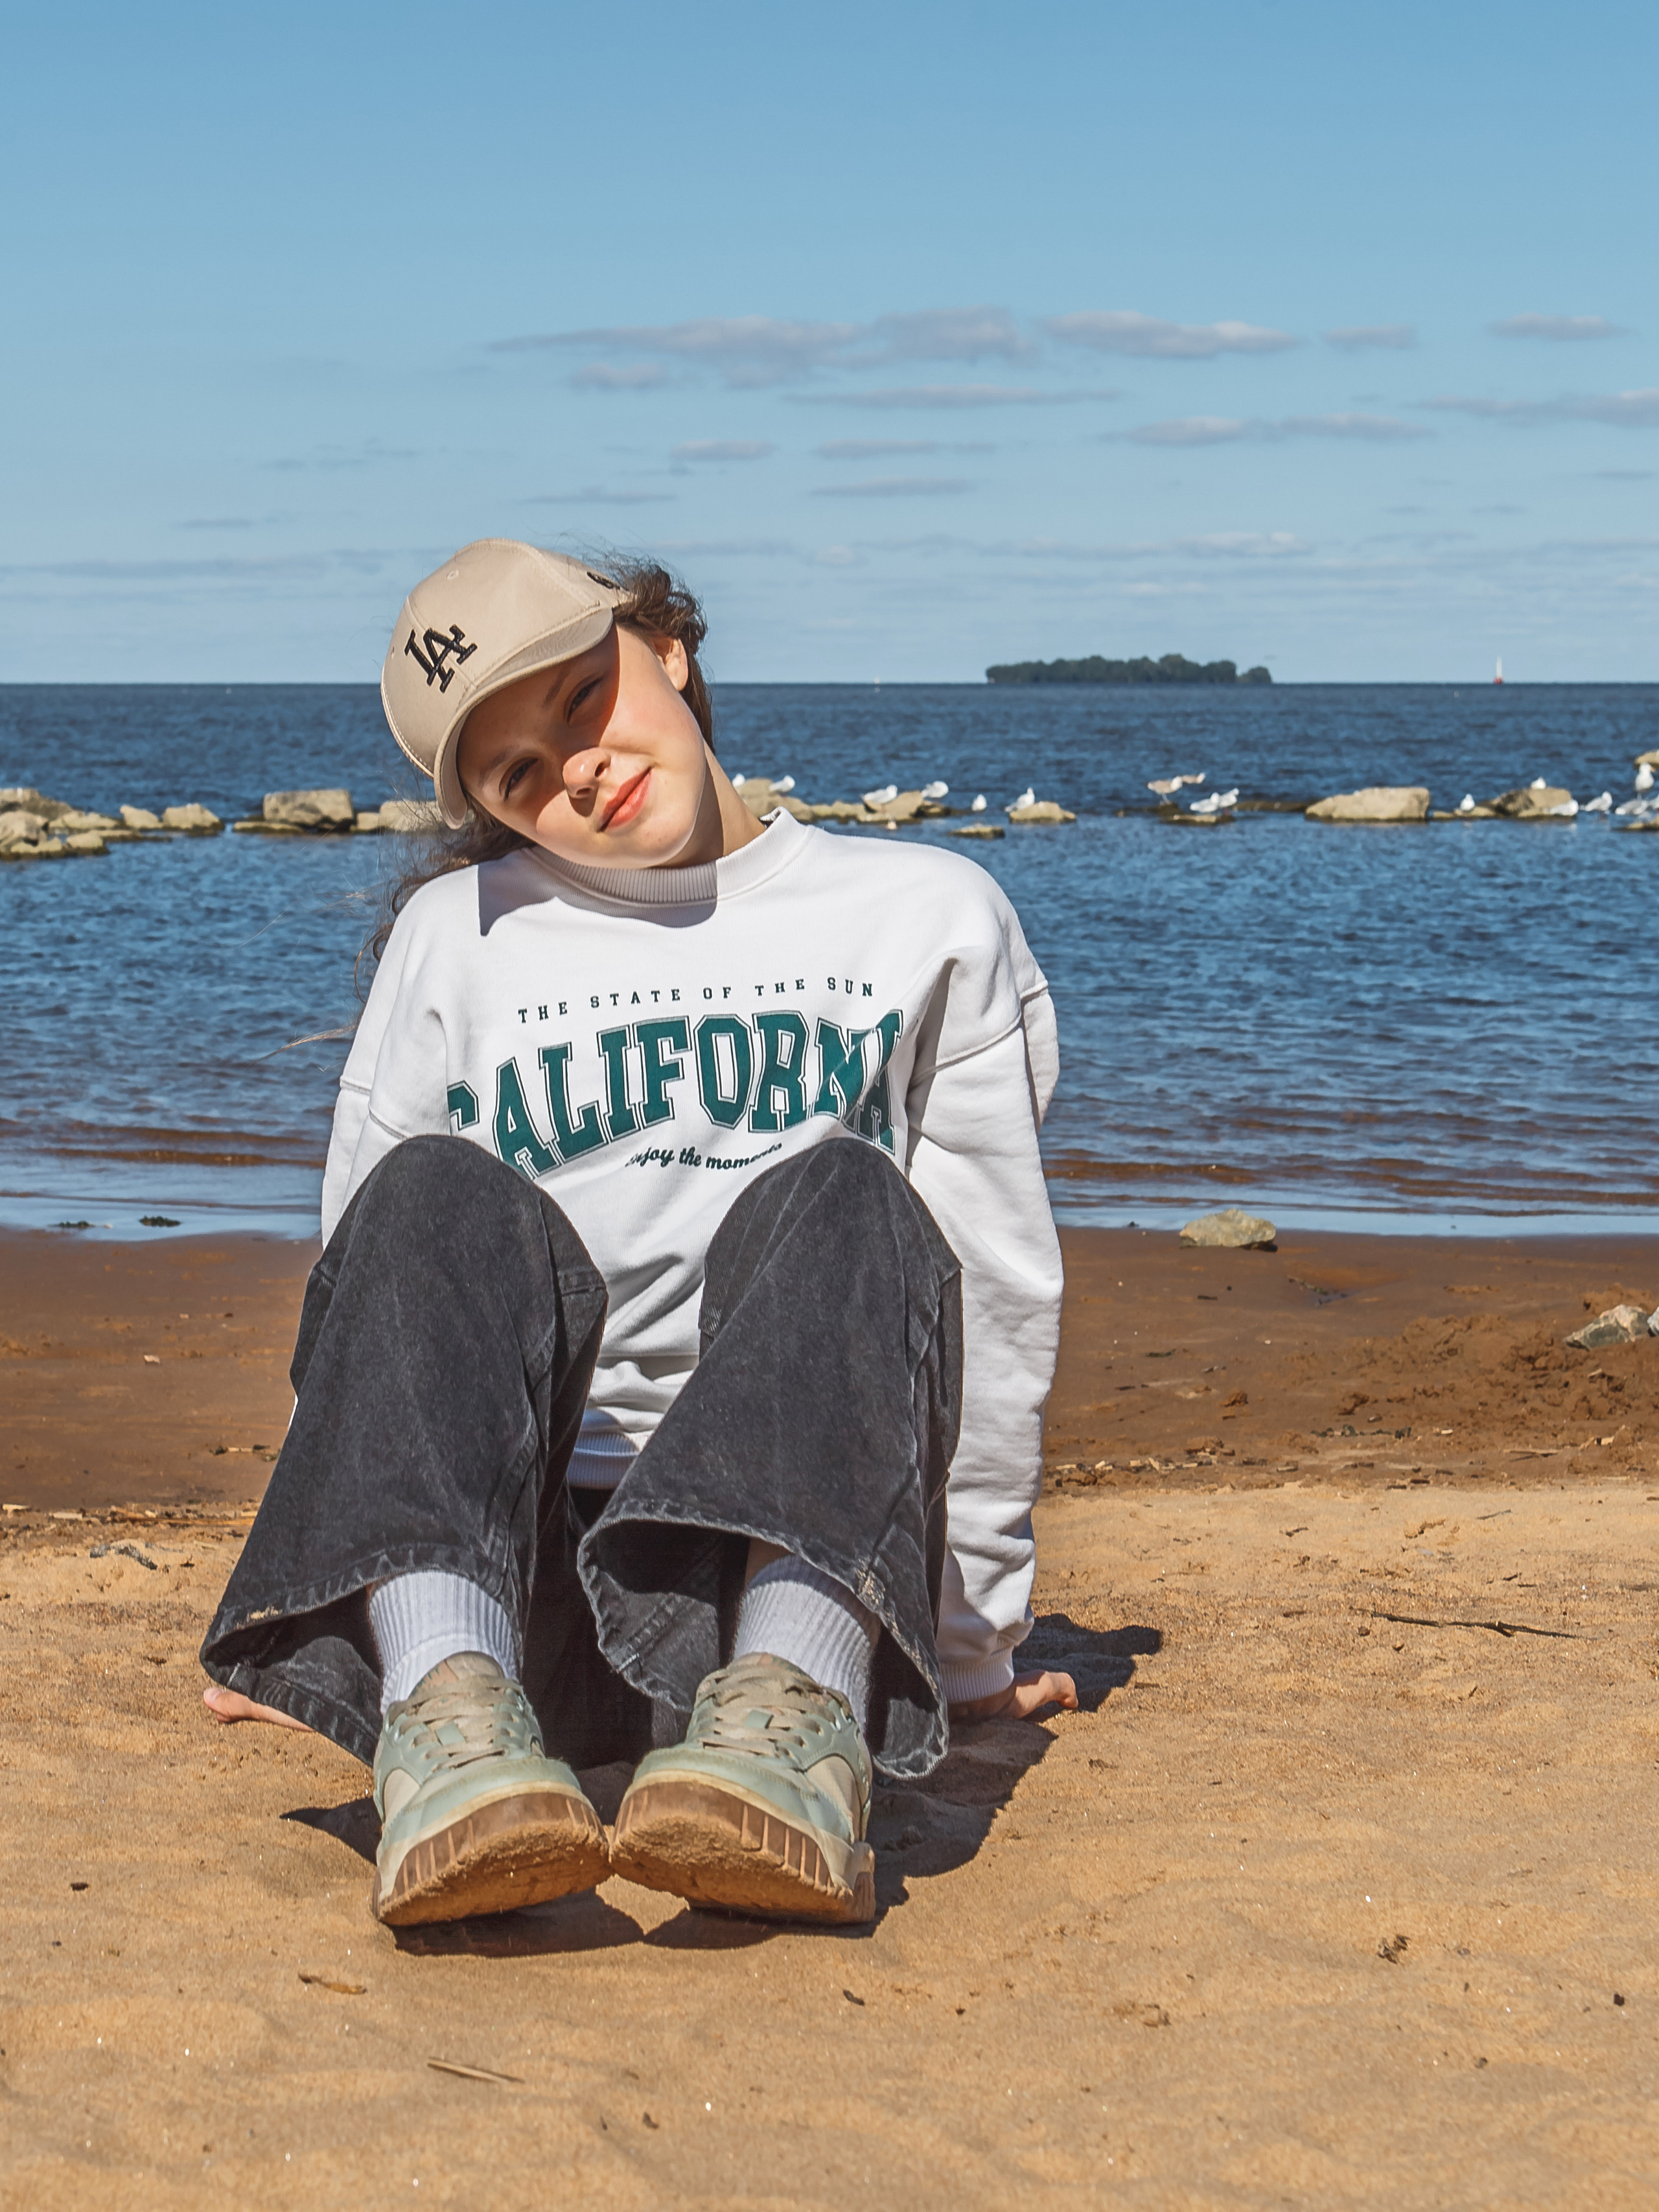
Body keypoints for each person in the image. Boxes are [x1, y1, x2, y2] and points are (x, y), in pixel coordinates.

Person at [201, 539, 1076, 1928]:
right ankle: (447, 1725)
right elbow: (370, 1295)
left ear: (663, 647)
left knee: (849, 1195)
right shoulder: (456, 935)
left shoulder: (927, 915)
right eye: (518, 777)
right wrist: (350, 1607)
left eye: (580, 699)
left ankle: (783, 1748)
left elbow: (991, 1292)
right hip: (527, 1591)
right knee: (429, 1192)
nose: (579, 771)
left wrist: (965, 1642)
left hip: (786, 1587)